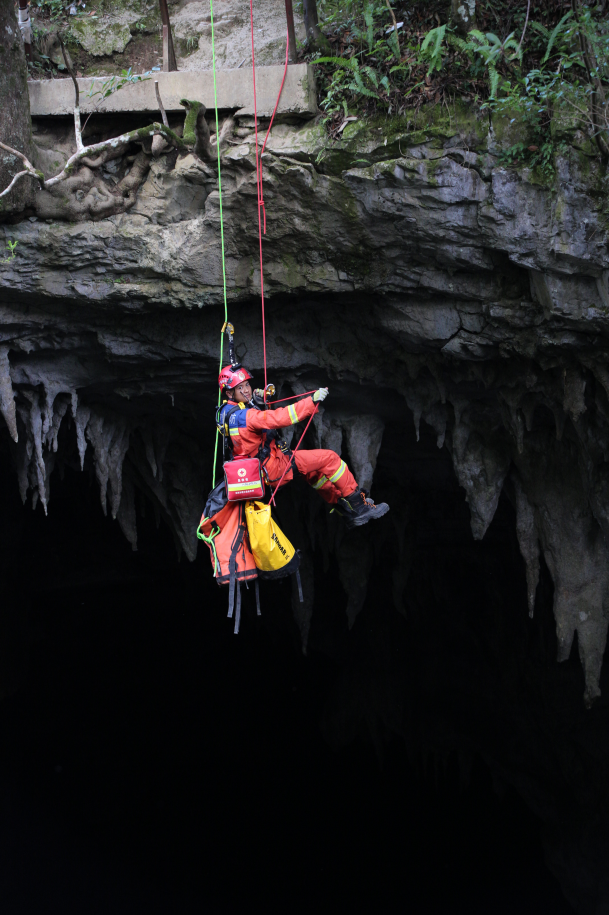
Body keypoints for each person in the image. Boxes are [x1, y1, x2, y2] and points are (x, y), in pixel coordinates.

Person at [217, 364, 389, 528]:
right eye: (240, 388)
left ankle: (342, 507)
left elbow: (245, 426)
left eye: (247, 384)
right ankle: (359, 506)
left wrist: (253, 398)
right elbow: (280, 417)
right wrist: (311, 401)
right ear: (230, 393)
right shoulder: (248, 416)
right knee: (330, 459)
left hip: (259, 470)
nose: (247, 390)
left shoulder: (224, 413)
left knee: (313, 473)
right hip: (274, 467)